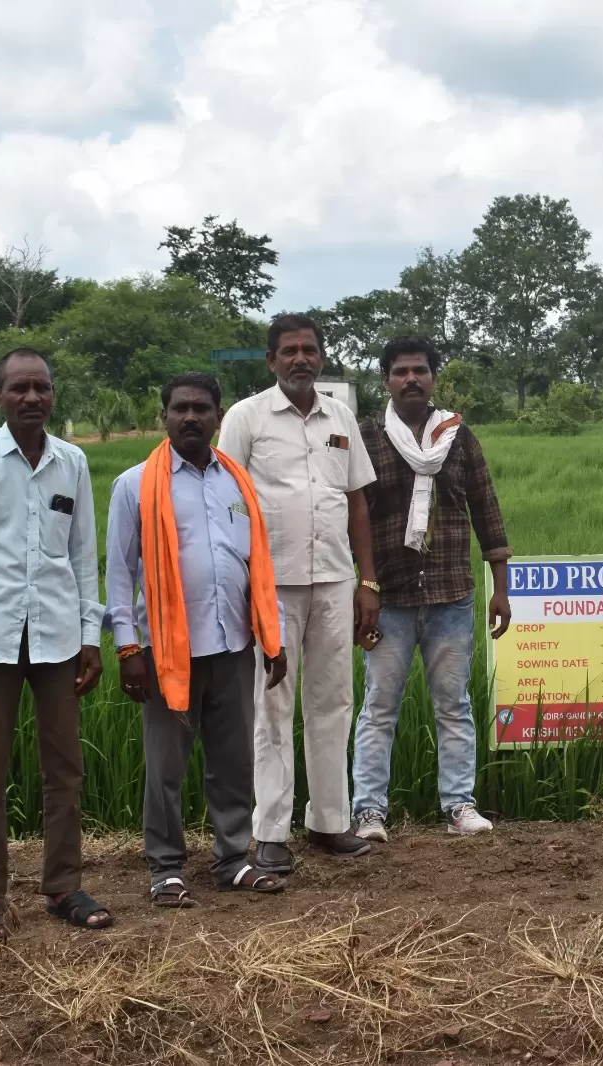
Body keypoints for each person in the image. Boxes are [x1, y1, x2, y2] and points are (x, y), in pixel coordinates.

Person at [0, 348, 112, 944]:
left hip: (60, 638)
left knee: (64, 769)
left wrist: (92, 636)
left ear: (53, 395)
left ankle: (64, 885)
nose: (31, 397)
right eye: (18, 388)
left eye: (41, 387)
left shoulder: (73, 462)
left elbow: (84, 555)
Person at [106, 373, 290, 905]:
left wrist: (271, 635)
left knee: (233, 761)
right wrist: (128, 647)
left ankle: (233, 859)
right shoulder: (135, 484)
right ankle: (165, 867)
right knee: (166, 767)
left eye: (201, 409)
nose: (191, 417)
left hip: (234, 644)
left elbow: (259, 563)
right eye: (180, 408)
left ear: (217, 416)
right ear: (163, 416)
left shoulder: (238, 481)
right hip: (167, 653)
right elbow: (120, 574)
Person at [217, 314, 380, 871]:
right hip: (271, 586)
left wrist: (368, 581)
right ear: (271, 360)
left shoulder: (341, 417)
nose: (300, 359)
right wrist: (241, 581)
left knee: (333, 701)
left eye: (309, 350)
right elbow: (227, 499)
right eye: (288, 351)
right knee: (272, 704)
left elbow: (357, 500)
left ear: (322, 357)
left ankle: (330, 821)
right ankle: (270, 831)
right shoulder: (247, 417)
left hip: (334, 580)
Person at [351, 337, 512, 840]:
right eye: (400, 371)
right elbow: (351, 516)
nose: (411, 379)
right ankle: (368, 811)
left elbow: (485, 509)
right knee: (379, 707)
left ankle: (460, 805)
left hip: (450, 594)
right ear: (386, 380)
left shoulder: (457, 437)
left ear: (433, 378)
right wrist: (364, 586)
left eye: (420, 370)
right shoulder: (367, 436)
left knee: (454, 704)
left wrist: (500, 588)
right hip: (389, 597)